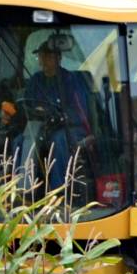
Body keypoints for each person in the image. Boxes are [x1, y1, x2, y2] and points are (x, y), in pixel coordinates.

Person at [24, 33, 93, 190]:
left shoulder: (72, 80)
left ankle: (58, 192)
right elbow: (27, 104)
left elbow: (80, 111)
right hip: (41, 127)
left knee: (59, 141)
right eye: (42, 56)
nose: (43, 60)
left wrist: (58, 114)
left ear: (58, 58)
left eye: (48, 56)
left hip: (71, 127)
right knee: (20, 141)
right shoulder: (35, 80)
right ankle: (22, 190)